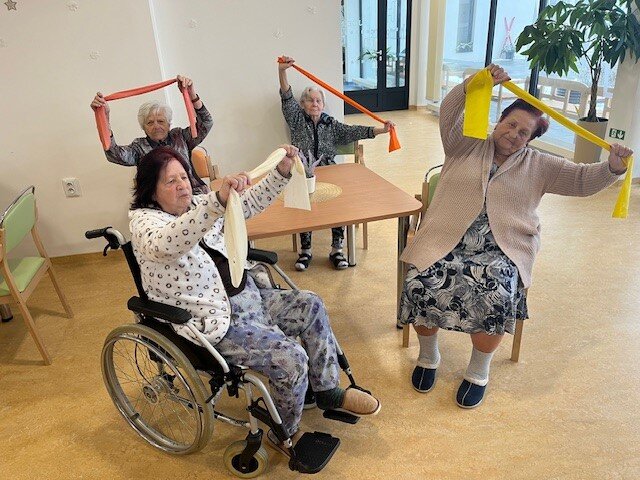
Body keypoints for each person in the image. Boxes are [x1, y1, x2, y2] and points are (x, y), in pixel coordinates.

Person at [398, 64, 633, 409]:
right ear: (498, 121)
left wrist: (613, 167)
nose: (513, 134)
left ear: (531, 140)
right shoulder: (464, 144)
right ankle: (429, 356)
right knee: (420, 280)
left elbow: (583, 181)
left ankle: (478, 370)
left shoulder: (540, 165)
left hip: (502, 249)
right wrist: (475, 83)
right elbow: (449, 111)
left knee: (495, 289)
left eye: (524, 132)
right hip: (446, 238)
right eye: (510, 124)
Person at [129, 145, 381, 450]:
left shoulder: (197, 203)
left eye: (183, 176)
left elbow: (247, 204)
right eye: (171, 181)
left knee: (311, 304)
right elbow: (168, 243)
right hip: (213, 322)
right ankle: (284, 431)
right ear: (151, 191)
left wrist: (281, 172)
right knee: (291, 358)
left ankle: (327, 391)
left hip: (250, 297)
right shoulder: (145, 224)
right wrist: (217, 202)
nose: (182, 185)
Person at [278, 55, 394, 271]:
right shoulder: (296, 119)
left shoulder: (330, 124)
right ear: (303, 104)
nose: (315, 104)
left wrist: (381, 130)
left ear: (323, 105)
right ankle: (305, 252)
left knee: (339, 205)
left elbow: (354, 131)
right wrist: (282, 71)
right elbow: (286, 96)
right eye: (310, 100)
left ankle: (337, 250)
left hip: (330, 170)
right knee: (303, 205)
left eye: (318, 101)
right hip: (303, 171)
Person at [90, 75, 213, 194]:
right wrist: (104, 117)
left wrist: (192, 95)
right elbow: (114, 154)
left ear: (169, 124)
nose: (156, 126)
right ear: (143, 127)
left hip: (192, 194)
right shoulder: (139, 146)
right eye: (150, 122)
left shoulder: (180, 136)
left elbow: (206, 123)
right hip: (159, 201)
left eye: (161, 121)